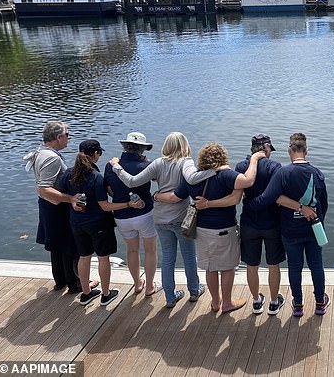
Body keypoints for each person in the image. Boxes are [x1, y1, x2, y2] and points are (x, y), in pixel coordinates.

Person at [108, 132, 215, 308]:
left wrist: (116, 167)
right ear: (184, 145)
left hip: (160, 219)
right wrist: (215, 170)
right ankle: (194, 291)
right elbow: (192, 178)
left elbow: (132, 182)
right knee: (188, 256)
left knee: (167, 258)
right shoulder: (185, 161)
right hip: (181, 219)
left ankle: (170, 297)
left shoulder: (158, 163)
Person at [157, 143, 264, 313]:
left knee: (210, 268)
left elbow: (174, 197)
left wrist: (156, 196)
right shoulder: (225, 175)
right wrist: (255, 159)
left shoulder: (193, 178)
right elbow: (248, 180)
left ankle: (215, 302)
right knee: (228, 267)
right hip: (223, 230)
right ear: (222, 157)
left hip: (201, 231)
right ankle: (227, 303)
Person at [244, 133, 330, 317]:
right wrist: (318, 223)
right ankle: (320, 303)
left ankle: (298, 305)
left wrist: (248, 204)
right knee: (316, 265)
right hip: (314, 229)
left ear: (289, 150)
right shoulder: (317, 173)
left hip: (290, 231)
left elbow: (268, 197)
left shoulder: (283, 173)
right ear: (306, 151)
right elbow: (324, 203)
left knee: (294, 267)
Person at [57, 140, 136, 306]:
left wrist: (72, 201)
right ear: (94, 154)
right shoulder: (95, 177)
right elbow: (105, 206)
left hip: (77, 224)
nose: (99, 156)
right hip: (98, 224)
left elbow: (61, 195)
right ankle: (106, 295)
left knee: (84, 257)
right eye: (99, 153)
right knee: (103, 258)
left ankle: (86, 293)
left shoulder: (69, 174)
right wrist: (127, 204)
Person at [23, 120, 94, 294]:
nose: (69, 138)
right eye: (67, 135)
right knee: (69, 245)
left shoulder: (40, 152)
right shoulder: (52, 158)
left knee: (56, 245)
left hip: (48, 206)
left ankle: (60, 281)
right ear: (58, 137)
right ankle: (76, 284)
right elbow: (44, 188)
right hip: (57, 208)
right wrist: (70, 198)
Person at [235, 134, 286, 315]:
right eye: (270, 149)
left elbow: (238, 196)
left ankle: (256, 302)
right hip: (272, 222)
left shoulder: (241, 166)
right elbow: (276, 196)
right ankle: (273, 302)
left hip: (249, 222)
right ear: (266, 148)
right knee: (273, 264)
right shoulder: (275, 167)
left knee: (251, 264)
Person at [103, 132, 158, 297]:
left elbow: (109, 189)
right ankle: (149, 286)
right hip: (145, 213)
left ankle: (137, 284)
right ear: (141, 148)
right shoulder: (146, 165)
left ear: (124, 147)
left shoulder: (110, 165)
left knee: (132, 251)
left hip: (121, 216)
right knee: (150, 250)